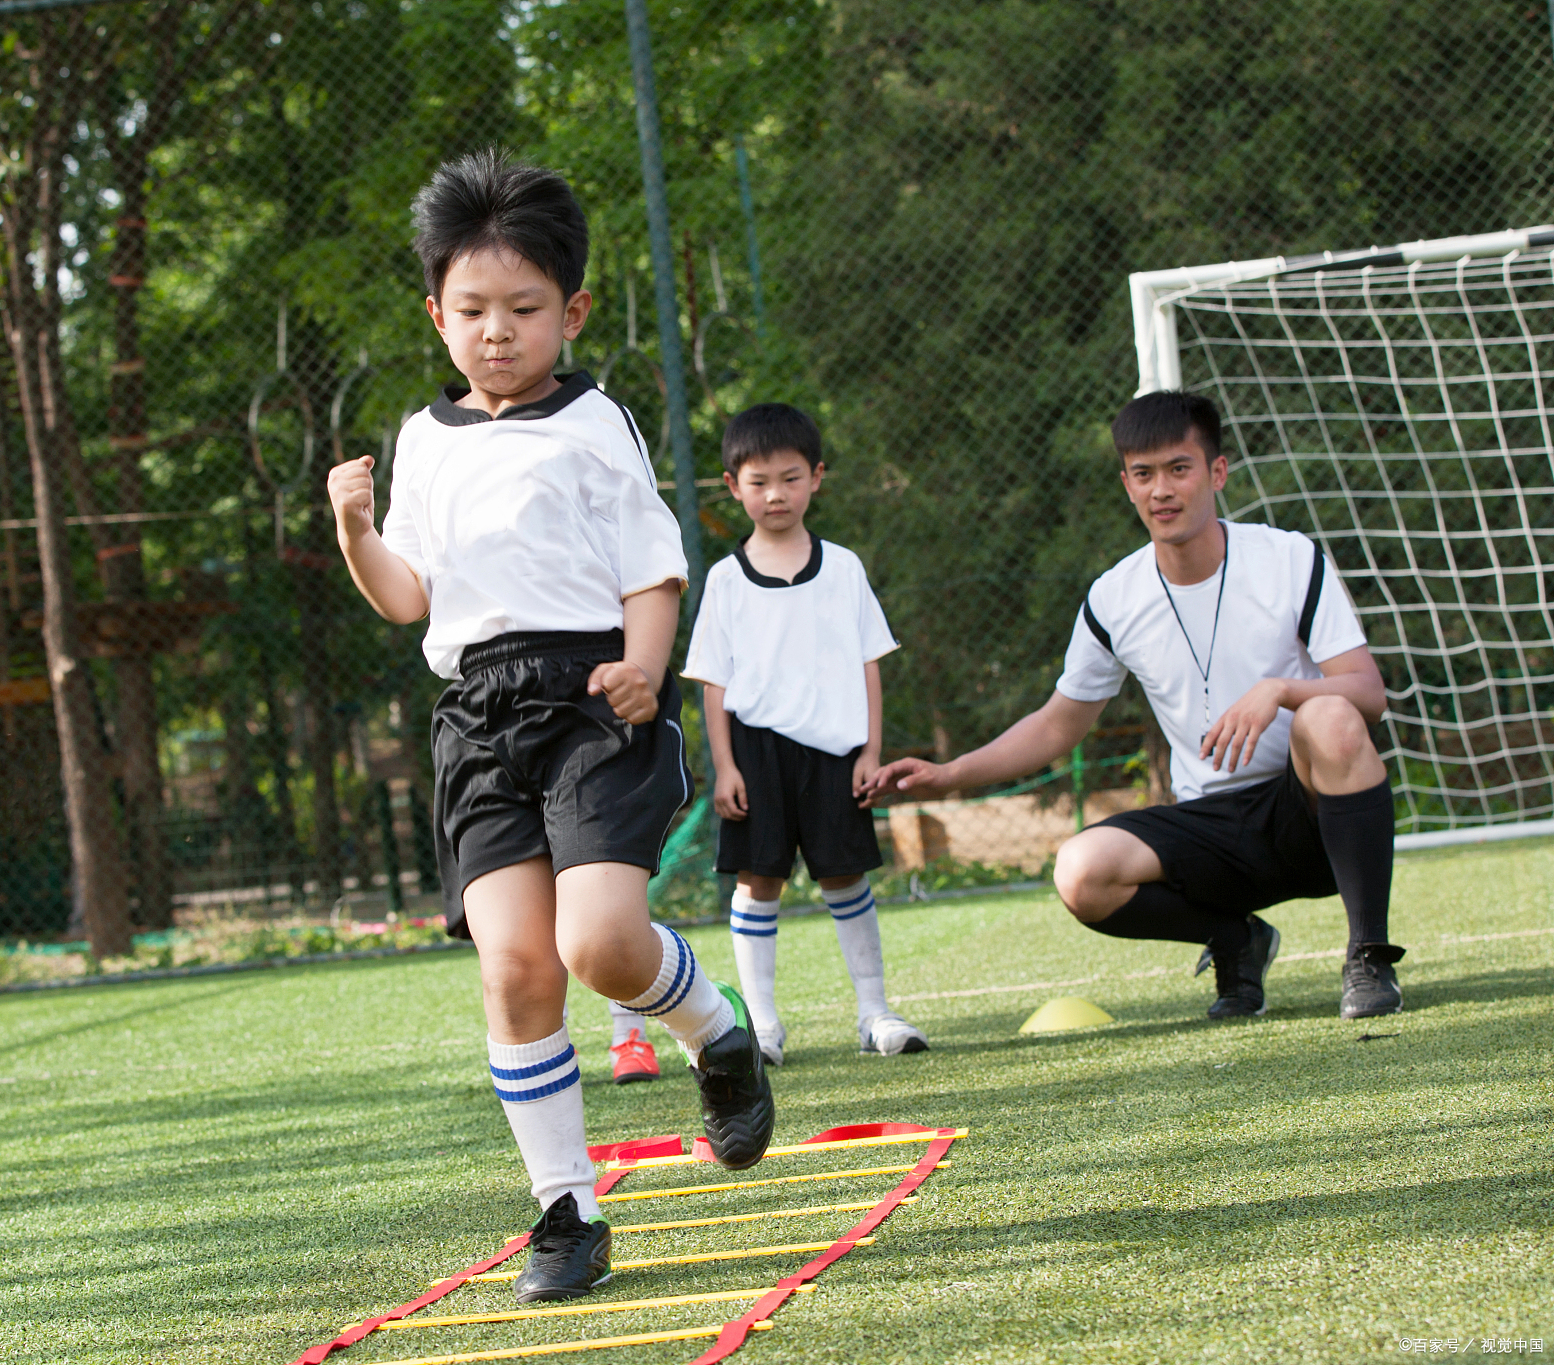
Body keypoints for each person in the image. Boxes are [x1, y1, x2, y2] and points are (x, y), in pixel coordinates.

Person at [325, 149, 776, 1306]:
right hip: (474, 718)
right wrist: (354, 532)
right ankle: (566, 1213)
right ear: (435, 314)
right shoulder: (424, 439)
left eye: (523, 309)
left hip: (589, 701)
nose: (496, 333)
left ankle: (713, 1030)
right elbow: (407, 598)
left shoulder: (593, 423)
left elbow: (650, 568)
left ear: (569, 313)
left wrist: (644, 667)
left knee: (600, 945)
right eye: (472, 309)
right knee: (516, 967)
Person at [866, 390, 1404, 1021]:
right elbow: (1057, 724)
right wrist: (950, 774)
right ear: (1126, 484)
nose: (1162, 490)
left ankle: (1368, 956)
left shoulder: (1288, 558)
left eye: (1179, 469)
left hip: (1312, 816)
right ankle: (1235, 940)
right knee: (1080, 872)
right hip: (1210, 828)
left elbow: (1367, 693)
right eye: (1144, 474)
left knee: (1329, 716)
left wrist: (1280, 691)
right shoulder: (1114, 598)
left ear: (1217, 472)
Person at [606, 404, 922, 1074]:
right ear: (733, 485)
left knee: (846, 876)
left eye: (790, 478)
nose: (776, 494)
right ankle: (761, 1026)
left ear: (817, 477)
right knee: (759, 883)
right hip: (755, 754)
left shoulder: (844, 568)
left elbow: (870, 662)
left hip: (836, 754)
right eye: (759, 481)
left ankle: (875, 1013)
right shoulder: (724, 579)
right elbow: (713, 682)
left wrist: (870, 751)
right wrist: (724, 765)